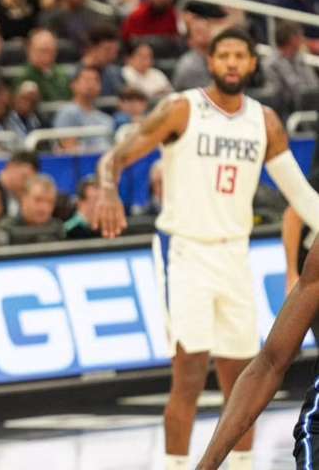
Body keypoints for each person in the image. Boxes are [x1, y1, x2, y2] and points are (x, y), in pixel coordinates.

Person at [94, 28, 319, 470]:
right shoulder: (182, 108)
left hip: (236, 253)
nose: (232, 63)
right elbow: (117, 156)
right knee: (190, 374)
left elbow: (302, 197)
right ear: (211, 62)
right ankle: (177, 465)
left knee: (247, 371)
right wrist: (107, 187)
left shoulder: (265, 121)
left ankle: (243, 464)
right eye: (224, 56)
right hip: (186, 252)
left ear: (252, 64)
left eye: (240, 55)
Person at [53, 66, 115, 153]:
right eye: (86, 80)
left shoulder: (106, 119)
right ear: (73, 84)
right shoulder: (68, 112)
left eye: (96, 80)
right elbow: (67, 148)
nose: (91, 84)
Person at [14, 28, 73, 101]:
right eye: (43, 50)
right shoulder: (23, 76)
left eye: (50, 50)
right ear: (30, 50)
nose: (47, 55)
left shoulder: (63, 75)